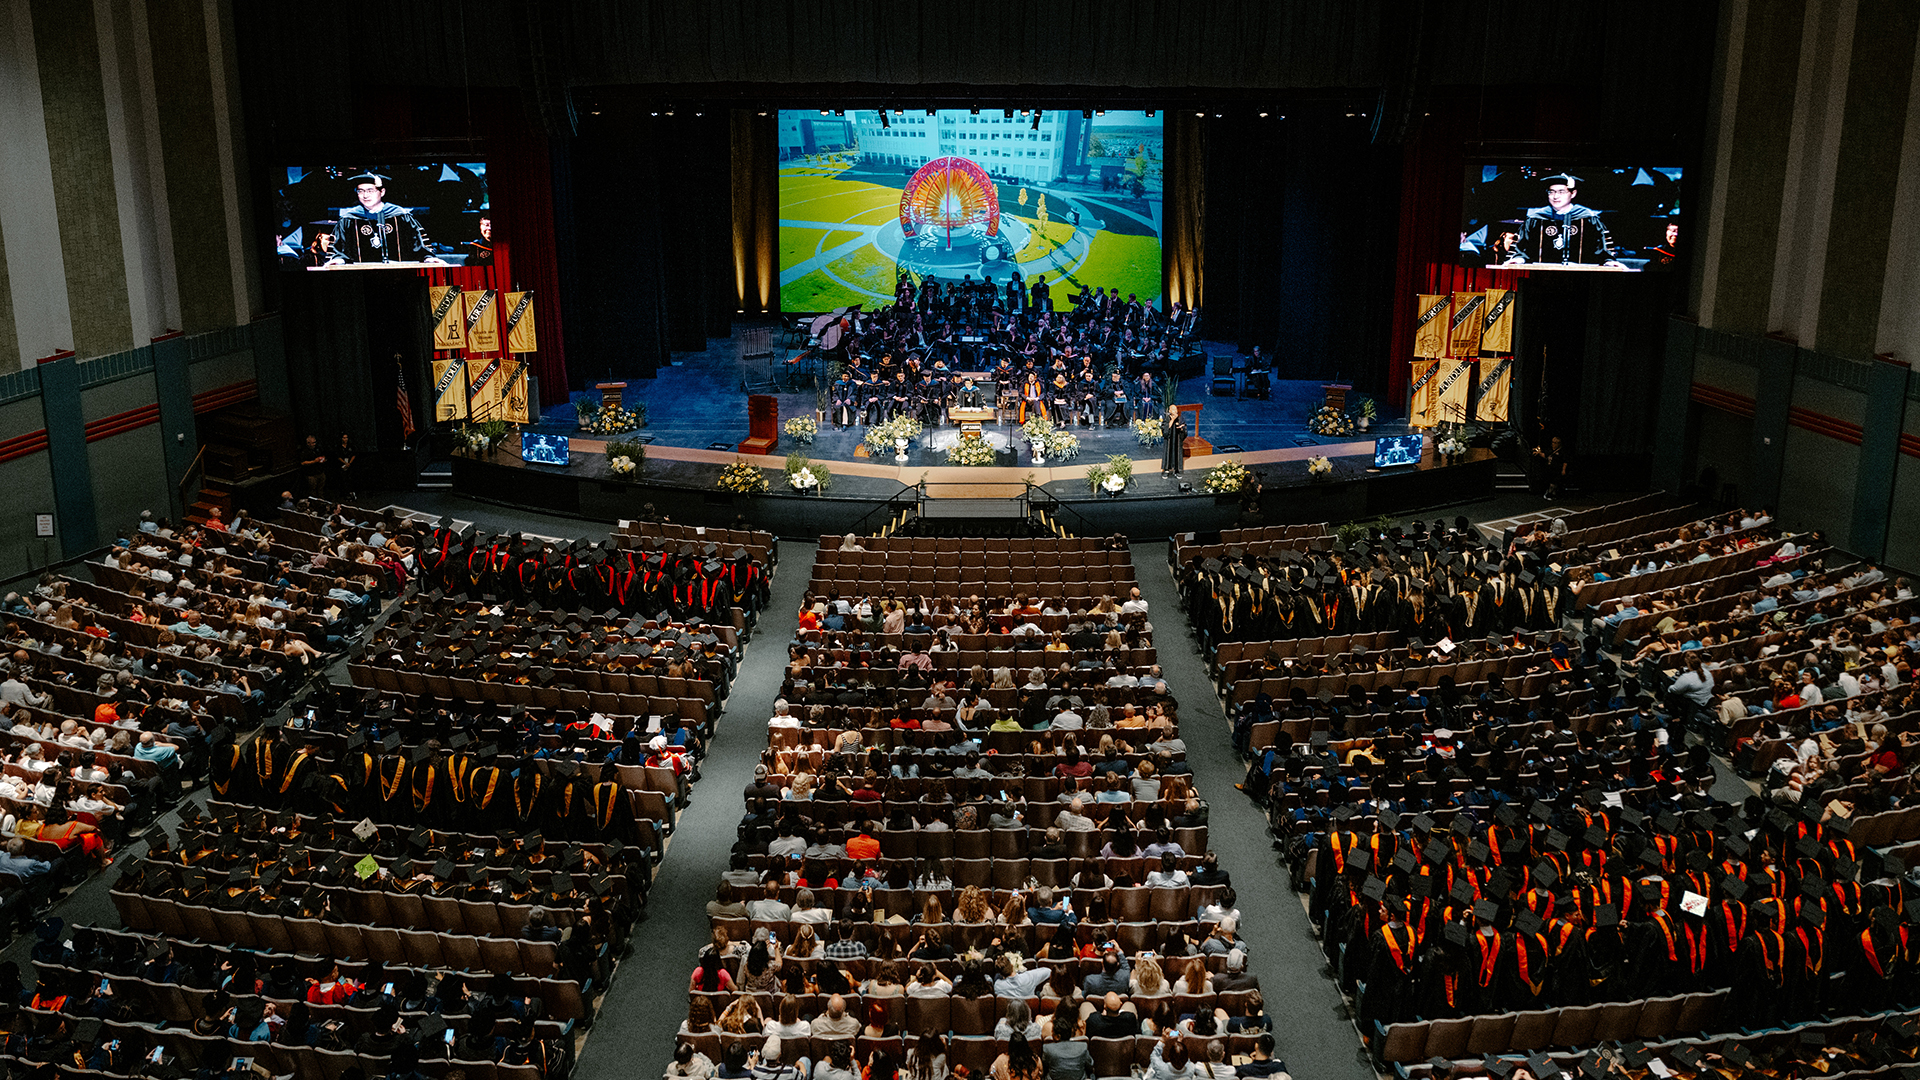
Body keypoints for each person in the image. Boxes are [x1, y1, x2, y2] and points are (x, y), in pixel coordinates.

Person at [1507, 173, 1622, 267]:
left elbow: (1602, 248)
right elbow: (1521, 248)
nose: (1555, 196)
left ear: (1573, 194)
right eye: (1551, 192)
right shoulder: (1535, 219)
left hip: (1581, 275)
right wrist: (1518, 259)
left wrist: (1609, 260)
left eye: (1561, 192)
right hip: (1541, 273)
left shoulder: (1588, 218)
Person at [327, 173, 443, 265]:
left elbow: (418, 242)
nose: (365, 195)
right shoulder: (349, 219)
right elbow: (338, 248)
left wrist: (428, 257)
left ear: (382, 192)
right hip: (360, 275)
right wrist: (338, 259)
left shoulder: (400, 216)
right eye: (360, 191)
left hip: (399, 273)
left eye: (370, 191)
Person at [1162, 406, 1185, 477]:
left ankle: (1176, 470)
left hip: (1177, 440)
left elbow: (1184, 429)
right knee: (1168, 453)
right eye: (1173, 409)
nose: (1175, 411)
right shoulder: (1167, 418)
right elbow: (1164, 430)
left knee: (1177, 454)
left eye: (1176, 409)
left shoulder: (1180, 418)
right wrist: (1172, 420)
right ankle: (1166, 470)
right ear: (1170, 410)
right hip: (1169, 441)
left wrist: (1181, 429)